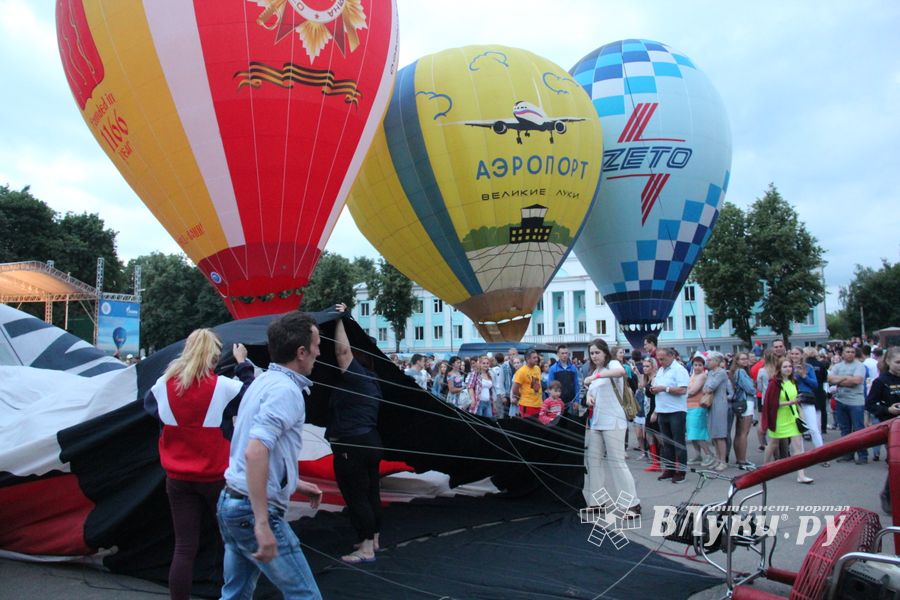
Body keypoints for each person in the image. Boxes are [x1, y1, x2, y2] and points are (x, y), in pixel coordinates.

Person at [217, 311, 324, 600]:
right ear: (301, 352)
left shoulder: (263, 382)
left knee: (236, 594)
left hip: (231, 501)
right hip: (250, 510)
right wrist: (262, 522)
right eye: (316, 345)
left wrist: (294, 483)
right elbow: (255, 452)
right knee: (306, 596)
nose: (319, 352)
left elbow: (254, 449)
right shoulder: (285, 391)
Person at [143, 330, 254, 600]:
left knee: (184, 548)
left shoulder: (163, 386)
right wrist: (243, 365)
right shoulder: (223, 387)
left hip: (178, 479)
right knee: (232, 545)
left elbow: (151, 409)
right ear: (214, 357)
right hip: (217, 479)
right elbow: (253, 397)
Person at [328, 305, 384, 563]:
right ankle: (373, 538)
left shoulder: (357, 378)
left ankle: (366, 548)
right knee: (371, 492)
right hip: (370, 441)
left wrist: (338, 320)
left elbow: (342, 352)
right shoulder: (373, 381)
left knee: (356, 495)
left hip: (352, 446)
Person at [582, 338, 640, 516]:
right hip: (597, 422)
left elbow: (621, 372)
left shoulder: (612, 364)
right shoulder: (595, 370)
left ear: (605, 352)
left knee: (617, 463)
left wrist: (595, 377)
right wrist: (588, 398)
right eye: (592, 353)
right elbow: (591, 393)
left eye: (597, 352)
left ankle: (632, 505)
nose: (594, 356)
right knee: (593, 462)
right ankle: (597, 502)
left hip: (614, 421)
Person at [762, 359, 814, 484]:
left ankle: (801, 475)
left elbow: (796, 401)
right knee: (773, 444)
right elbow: (770, 403)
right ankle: (764, 468)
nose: (788, 369)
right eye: (785, 366)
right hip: (778, 418)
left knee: (798, 447)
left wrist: (801, 416)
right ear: (779, 369)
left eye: (790, 366)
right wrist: (790, 403)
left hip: (792, 417)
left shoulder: (793, 381)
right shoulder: (774, 383)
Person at [866, 347, 900, 513]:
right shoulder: (881, 381)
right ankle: (887, 495)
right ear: (888, 361)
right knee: (897, 463)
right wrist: (888, 410)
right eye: (898, 362)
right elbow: (870, 404)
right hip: (891, 428)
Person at [650, 348, 690, 483]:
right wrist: (654, 390)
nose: (660, 361)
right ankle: (670, 469)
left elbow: (683, 390)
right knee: (666, 443)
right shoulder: (661, 370)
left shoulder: (679, 370)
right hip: (662, 410)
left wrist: (664, 389)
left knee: (678, 442)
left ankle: (681, 472)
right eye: (659, 359)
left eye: (663, 359)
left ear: (672, 356)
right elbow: (658, 386)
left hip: (676, 411)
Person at [828, 345, 868, 464]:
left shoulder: (859, 366)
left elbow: (856, 381)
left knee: (858, 429)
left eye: (852, 352)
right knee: (844, 430)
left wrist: (839, 380)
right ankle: (847, 454)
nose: (850, 354)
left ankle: (862, 455)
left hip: (856, 402)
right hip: (841, 401)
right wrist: (847, 378)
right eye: (847, 352)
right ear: (842, 354)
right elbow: (830, 380)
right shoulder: (837, 366)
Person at [791, 348, 824, 461]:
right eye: (792, 354)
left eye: (797, 354)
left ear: (802, 355)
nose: (794, 356)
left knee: (813, 428)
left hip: (806, 398)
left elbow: (815, 384)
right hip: (792, 399)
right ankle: (800, 456)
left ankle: (822, 454)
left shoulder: (808, 367)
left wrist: (804, 376)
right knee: (797, 429)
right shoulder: (787, 366)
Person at [685, 355, 715, 468]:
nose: (697, 367)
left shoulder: (702, 376)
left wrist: (683, 392)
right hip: (689, 407)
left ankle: (709, 454)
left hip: (698, 407)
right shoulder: (692, 375)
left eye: (700, 365)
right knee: (692, 434)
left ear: (703, 366)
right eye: (695, 365)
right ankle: (698, 455)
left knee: (697, 433)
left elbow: (692, 391)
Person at [729, 352, 757, 470]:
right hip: (746, 402)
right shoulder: (741, 372)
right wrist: (754, 387)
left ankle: (739, 458)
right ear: (737, 361)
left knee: (739, 432)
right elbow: (750, 389)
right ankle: (742, 460)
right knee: (743, 433)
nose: (745, 361)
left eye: (746, 358)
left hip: (740, 402)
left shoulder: (736, 372)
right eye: (742, 359)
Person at [703, 352, 731, 471]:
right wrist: (707, 387)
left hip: (720, 404)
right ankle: (718, 459)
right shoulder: (710, 373)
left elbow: (710, 387)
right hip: (711, 404)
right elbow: (705, 388)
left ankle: (723, 461)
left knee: (720, 434)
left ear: (717, 361)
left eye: (709, 360)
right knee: (714, 434)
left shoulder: (721, 372)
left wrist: (707, 387)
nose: (707, 362)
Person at [548, 344, 581, 416]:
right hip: (557, 403)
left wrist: (577, 401)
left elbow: (577, 385)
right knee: (559, 422)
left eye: (566, 353)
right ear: (558, 354)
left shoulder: (573, 368)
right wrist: (552, 402)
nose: (565, 355)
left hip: (571, 402)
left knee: (572, 421)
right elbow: (550, 387)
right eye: (562, 353)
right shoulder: (553, 369)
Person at [640, 357, 661, 471]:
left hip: (655, 409)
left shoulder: (656, 379)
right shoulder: (647, 379)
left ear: (653, 367)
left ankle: (669, 461)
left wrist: (655, 412)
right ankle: (655, 462)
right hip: (648, 410)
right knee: (649, 435)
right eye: (644, 366)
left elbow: (660, 397)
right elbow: (641, 387)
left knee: (659, 437)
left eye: (647, 366)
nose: (645, 368)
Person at [511, 350, 543, 418]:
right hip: (527, 405)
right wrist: (519, 396)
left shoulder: (537, 368)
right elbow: (514, 389)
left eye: (536, 357)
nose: (536, 359)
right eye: (534, 358)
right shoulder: (521, 371)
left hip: (538, 404)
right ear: (528, 359)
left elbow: (538, 384)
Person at [491, 353, 509, 418]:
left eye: (493, 360)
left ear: (496, 360)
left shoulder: (494, 369)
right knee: (504, 411)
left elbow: (495, 383)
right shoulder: (505, 367)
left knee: (499, 412)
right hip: (505, 392)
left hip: (497, 393)